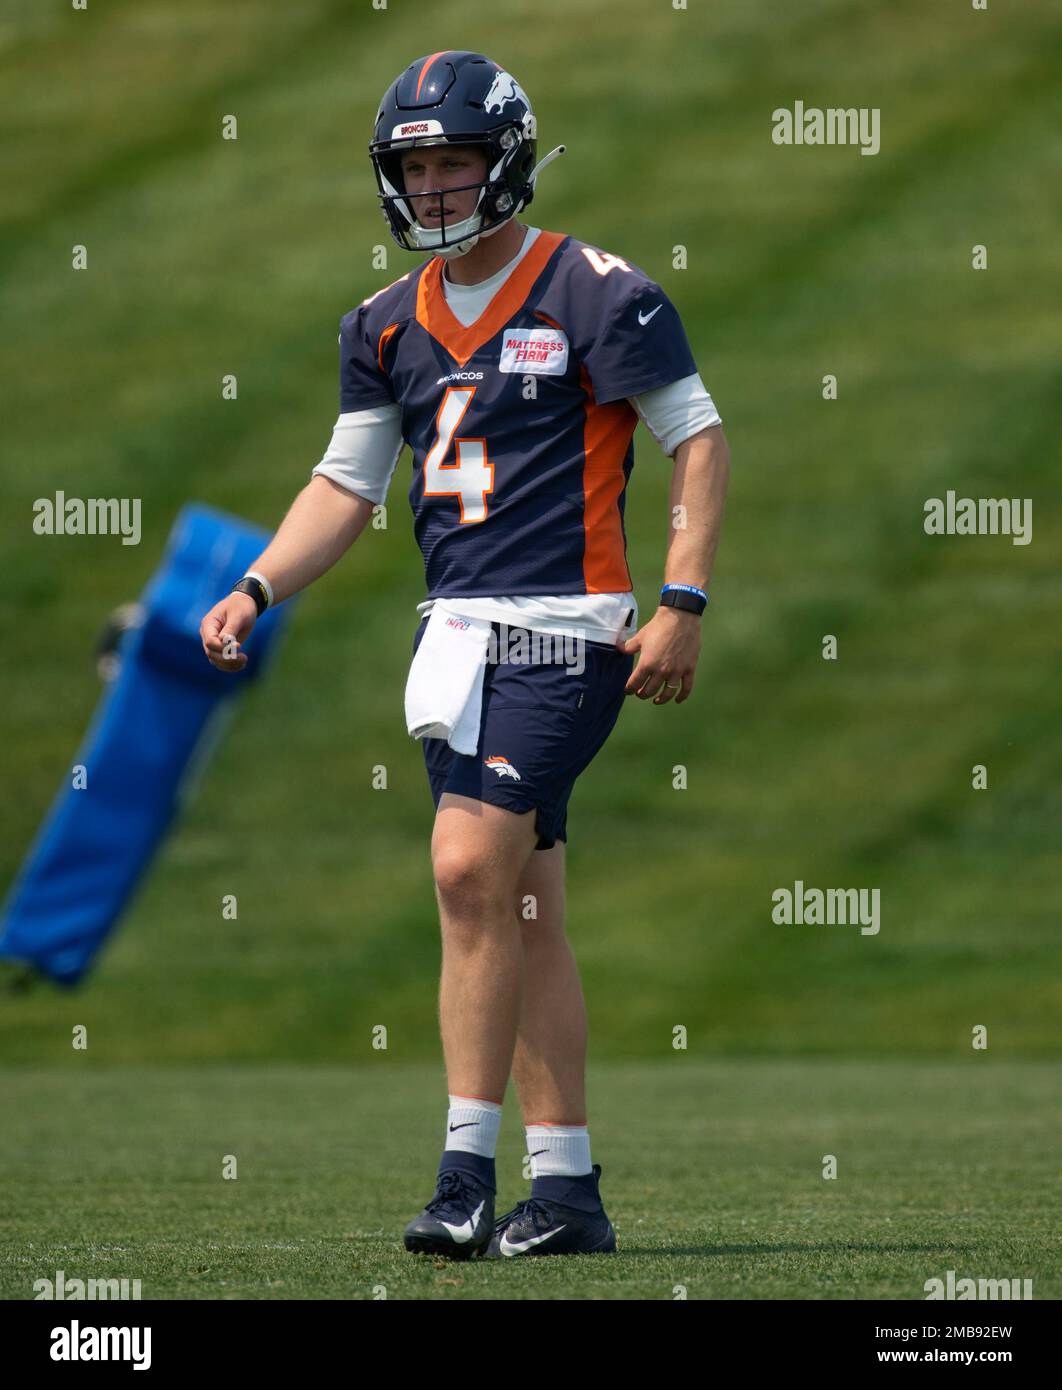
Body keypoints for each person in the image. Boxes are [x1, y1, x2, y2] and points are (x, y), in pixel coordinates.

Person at [199, 50, 730, 1260]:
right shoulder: (383, 324)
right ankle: (569, 1192)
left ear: (508, 162)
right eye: (416, 167)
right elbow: (346, 485)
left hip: (568, 631)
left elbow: (698, 441)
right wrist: (256, 585)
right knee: (525, 906)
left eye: (455, 162)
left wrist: (684, 599)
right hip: (458, 644)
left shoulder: (597, 293)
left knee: (462, 869)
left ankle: (461, 1176)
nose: (435, 188)